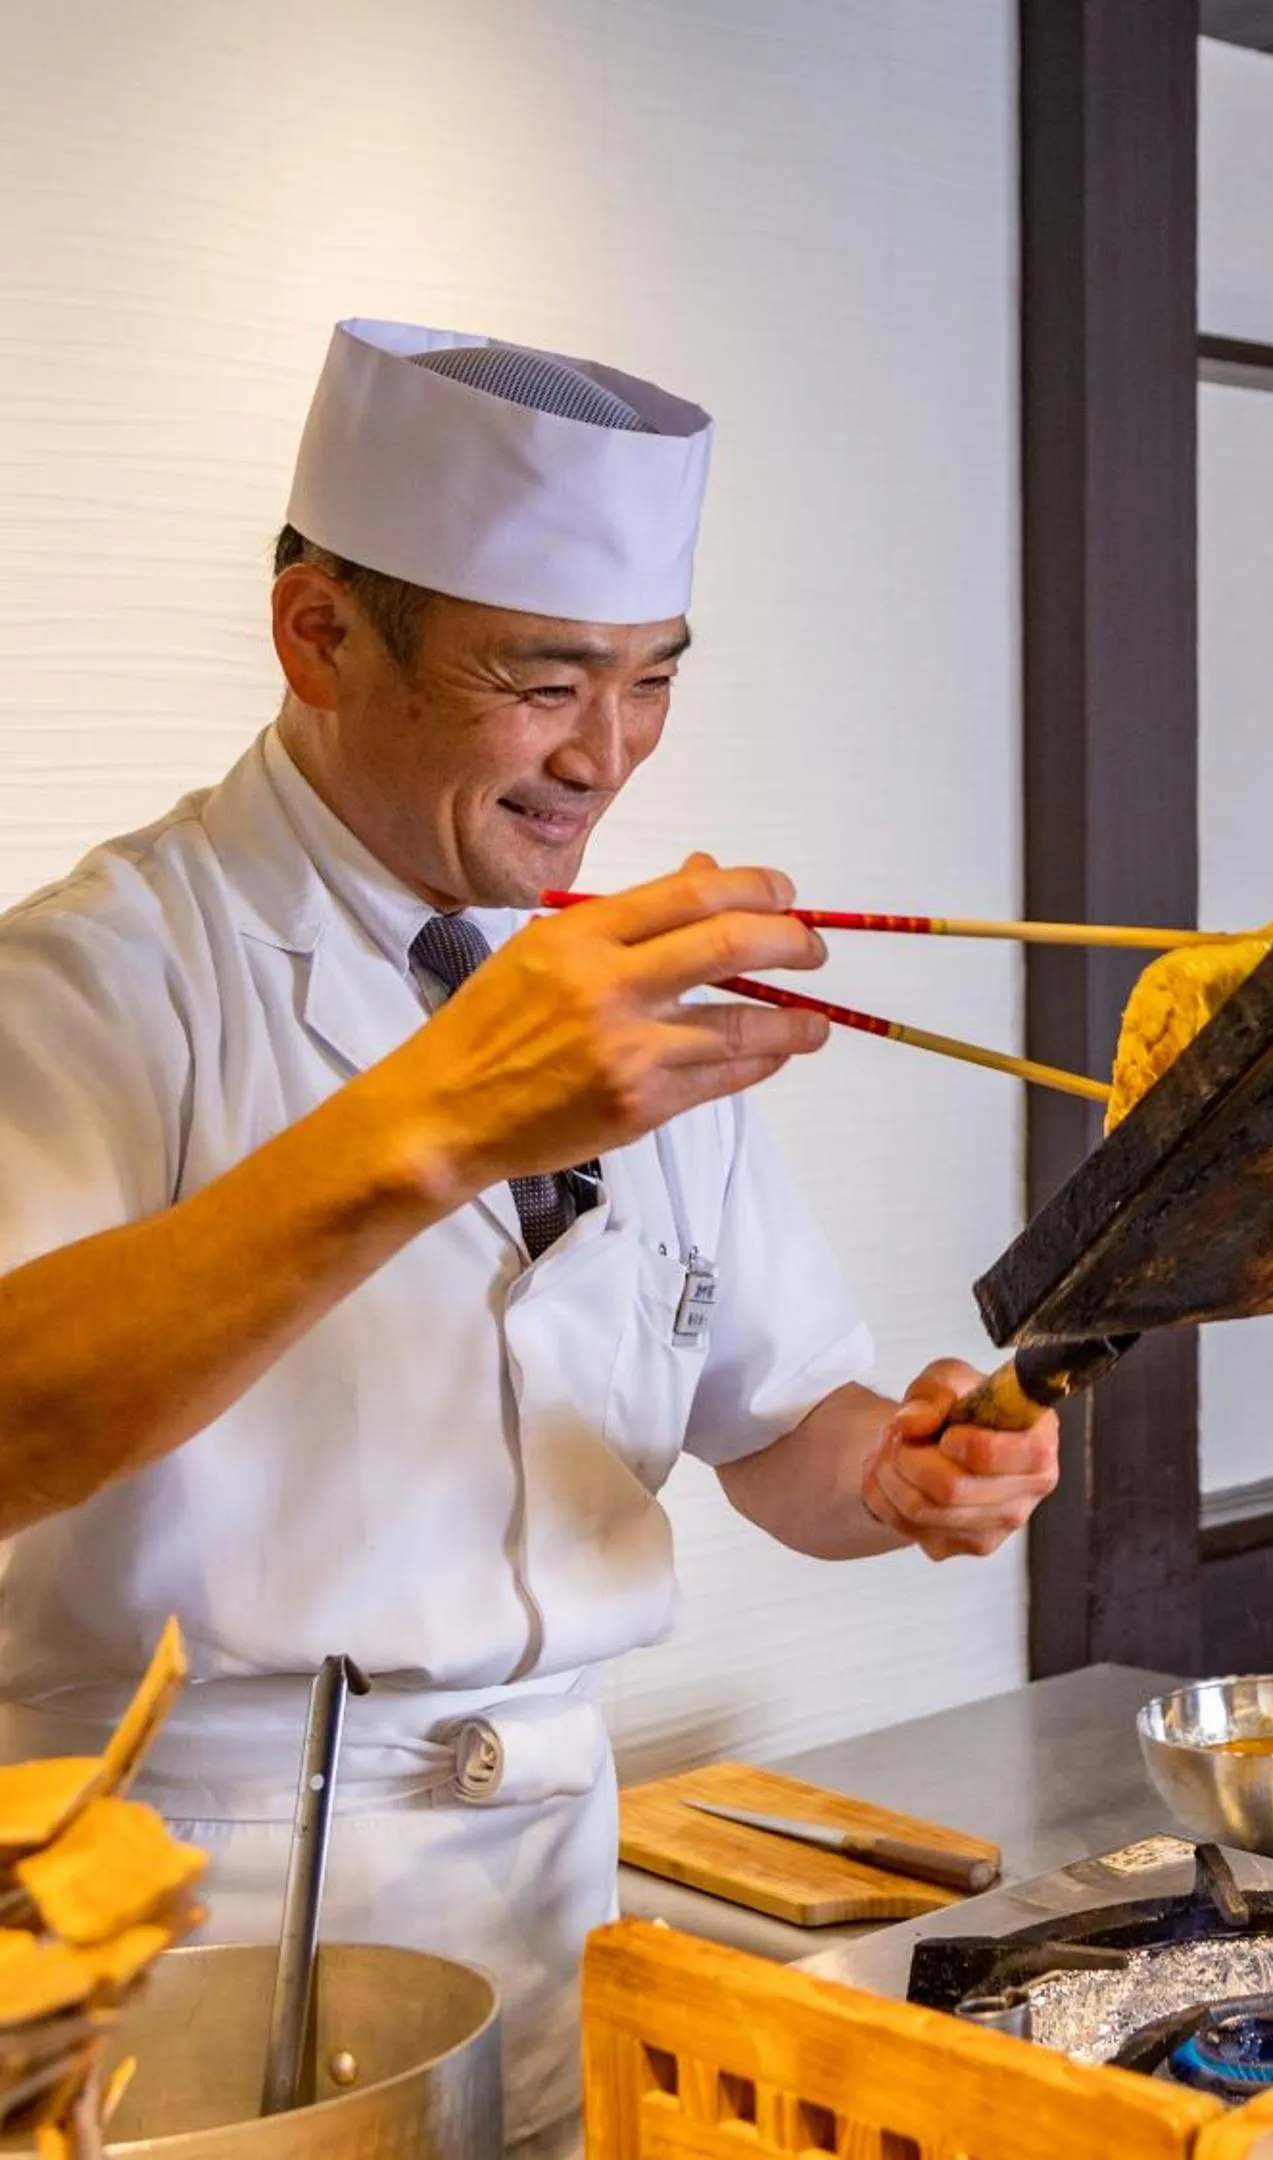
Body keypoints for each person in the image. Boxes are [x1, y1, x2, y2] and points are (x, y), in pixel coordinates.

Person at [0, 320, 1059, 2154]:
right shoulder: (101, 977)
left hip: (564, 1906)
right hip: (187, 1928)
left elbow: (778, 1428)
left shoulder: (614, 985)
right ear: (321, 635)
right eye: (546, 680)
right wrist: (435, 1126)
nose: (608, 757)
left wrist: (896, 1471)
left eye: (652, 682)